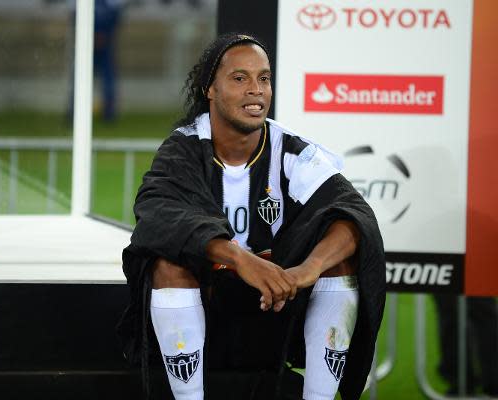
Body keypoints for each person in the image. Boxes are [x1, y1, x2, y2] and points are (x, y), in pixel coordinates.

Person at [117, 33, 386, 400]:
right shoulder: (183, 149)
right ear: (210, 89)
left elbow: (355, 216)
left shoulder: (291, 151)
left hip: (276, 310)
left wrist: (306, 269)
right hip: (206, 308)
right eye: (240, 78)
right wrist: (238, 258)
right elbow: (157, 215)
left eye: (264, 78)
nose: (256, 90)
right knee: (167, 264)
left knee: (339, 261)